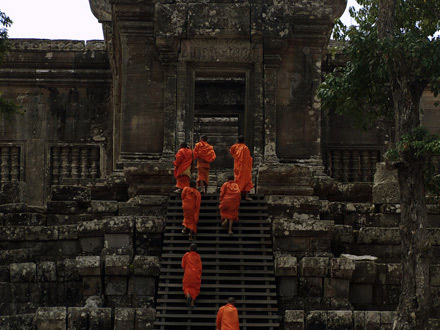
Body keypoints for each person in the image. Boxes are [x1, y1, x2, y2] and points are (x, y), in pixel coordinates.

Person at [230, 136, 253, 201]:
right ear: (244, 141)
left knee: (238, 180)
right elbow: (248, 158)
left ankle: (238, 195)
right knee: (247, 180)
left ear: (237, 140)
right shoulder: (245, 148)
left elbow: (232, 153)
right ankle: (247, 196)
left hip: (237, 167)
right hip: (245, 168)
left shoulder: (234, 147)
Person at [181, 243, 202, 309]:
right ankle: (192, 303)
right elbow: (200, 267)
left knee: (186, 286)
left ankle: (187, 294)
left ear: (189, 249)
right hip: (195, 274)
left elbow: (183, 265)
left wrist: (186, 269)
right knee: (195, 288)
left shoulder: (186, 255)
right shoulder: (198, 256)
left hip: (188, 273)